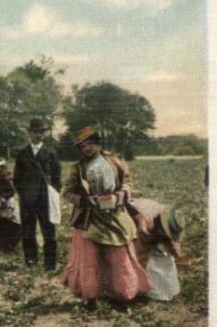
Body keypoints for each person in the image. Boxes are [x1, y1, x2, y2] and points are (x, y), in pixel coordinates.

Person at [60, 126, 151, 309]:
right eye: (82, 146)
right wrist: (83, 201)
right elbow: (67, 192)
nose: (86, 148)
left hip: (114, 217)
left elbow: (127, 183)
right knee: (89, 260)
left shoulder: (115, 161)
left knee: (119, 259)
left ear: (98, 144)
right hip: (89, 219)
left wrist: (118, 197)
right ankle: (91, 298)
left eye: (90, 144)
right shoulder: (78, 168)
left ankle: (124, 297)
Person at [13, 118, 62, 271]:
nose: (37, 135)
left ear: (45, 134)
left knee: (49, 233)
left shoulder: (50, 153)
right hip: (27, 200)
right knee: (28, 232)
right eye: (35, 132)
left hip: (45, 199)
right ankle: (31, 260)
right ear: (29, 133)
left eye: (41, 132)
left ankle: (50, 264)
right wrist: (24, 193)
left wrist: (53, 193)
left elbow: (56, 176)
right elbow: (17, 178)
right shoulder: (22, 153)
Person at [128, 199, 189, 301]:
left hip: (145, 227)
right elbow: (136, 251)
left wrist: (177, 254)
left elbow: (173, 242)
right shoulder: (145, 221)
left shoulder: (169, 218)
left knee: (162, 255)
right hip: (129, 221)